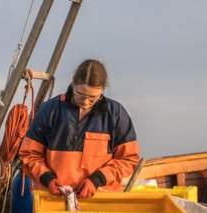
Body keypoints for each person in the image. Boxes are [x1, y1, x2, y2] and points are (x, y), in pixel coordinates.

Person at [19, 59, 139, 199]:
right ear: (73, 84)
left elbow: (128, 159)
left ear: (102, 90)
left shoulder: (116, 114)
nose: (86, 101)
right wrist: (47, 178)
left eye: (92, 97)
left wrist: (97, 180)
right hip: (53, 200)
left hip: (101, 202)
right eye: (80, 95)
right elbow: (28, 154)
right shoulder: (50, 110)